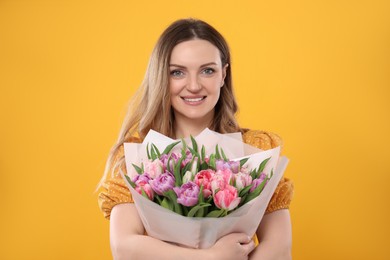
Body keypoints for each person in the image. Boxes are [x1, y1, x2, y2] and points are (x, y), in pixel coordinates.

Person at [98, 18, 293, 260]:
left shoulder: (256, 149)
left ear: (223, 74)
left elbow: (279, 245)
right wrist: (212, 257)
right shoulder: (138, 155)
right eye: (177, 72)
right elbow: (124, 247)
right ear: (162, 77)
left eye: (207, 70)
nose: (193, 85)